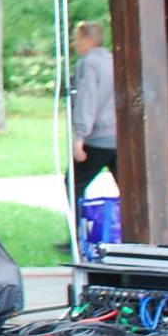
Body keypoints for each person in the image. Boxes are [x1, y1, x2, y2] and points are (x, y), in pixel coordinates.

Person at [70, 19, 118, 202]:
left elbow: (87, 100)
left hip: (97, 137)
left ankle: (79, 221)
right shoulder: (113, 60)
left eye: (76, 39)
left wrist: (79, 137)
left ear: (87, 40)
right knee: (129, 188)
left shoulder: (88, 63)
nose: (74, 44)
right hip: (118, 136)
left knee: (74, 184)